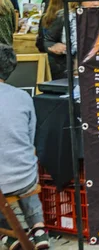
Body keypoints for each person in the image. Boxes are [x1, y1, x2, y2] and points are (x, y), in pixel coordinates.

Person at [0, 44, 50, 250]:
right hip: (25, 176)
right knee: (22, 161)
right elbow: (30, 139)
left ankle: (7, 236)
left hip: (2, 183)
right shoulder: (23, 97)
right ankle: (38, 229)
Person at [39, 0, 77, 80]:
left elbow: (40, 42)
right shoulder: (66, 17)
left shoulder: (47, 17)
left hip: (54, 66)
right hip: (65, 66)